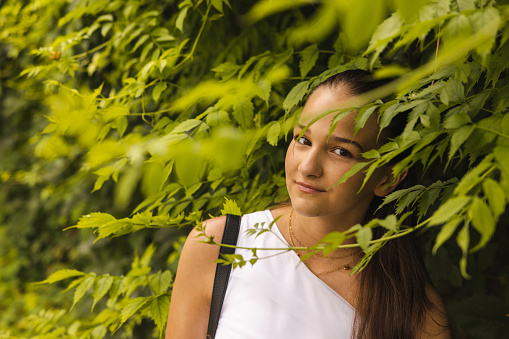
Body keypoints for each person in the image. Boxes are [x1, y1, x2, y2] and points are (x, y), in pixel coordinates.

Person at [165, 70, 450, 338]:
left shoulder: (414, 313)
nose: (308, 166)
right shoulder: (219, 246)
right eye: (303, 139)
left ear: (388, 177)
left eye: (341, 151)